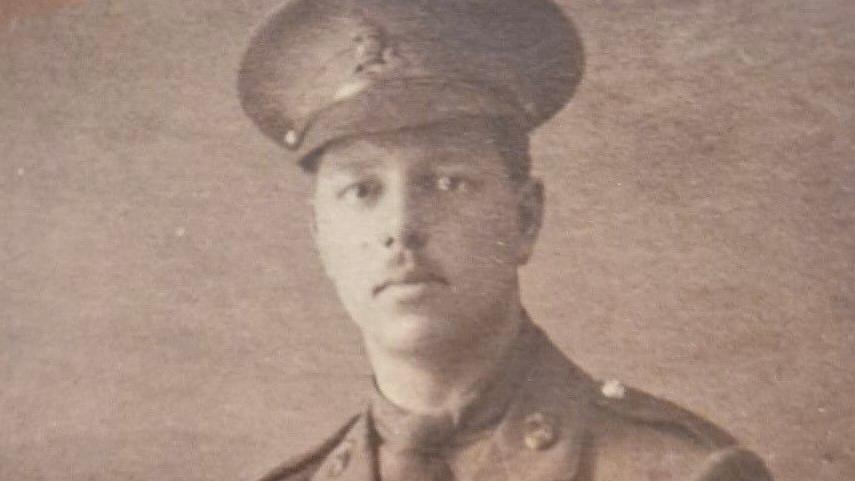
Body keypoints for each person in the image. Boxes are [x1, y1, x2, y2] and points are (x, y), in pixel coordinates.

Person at [236, 0, 775, 480]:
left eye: (448, 181)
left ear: (525, 219)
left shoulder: (681, 472)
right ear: (319, 236)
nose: (400, 226)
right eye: (361, 190)